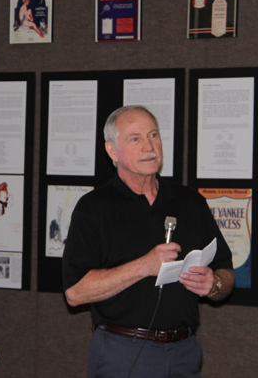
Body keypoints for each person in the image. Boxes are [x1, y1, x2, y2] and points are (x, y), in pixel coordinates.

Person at [62, 105, 234, 378]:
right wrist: (144, 265)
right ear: (112, 151)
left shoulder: (190, 202)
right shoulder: (93, 208)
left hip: (185, 351)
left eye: (154, 135)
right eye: (135, 138)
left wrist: (214, 284)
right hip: (123, 350)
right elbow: (75, 293)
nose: (149, 146)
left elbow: (226, 271)